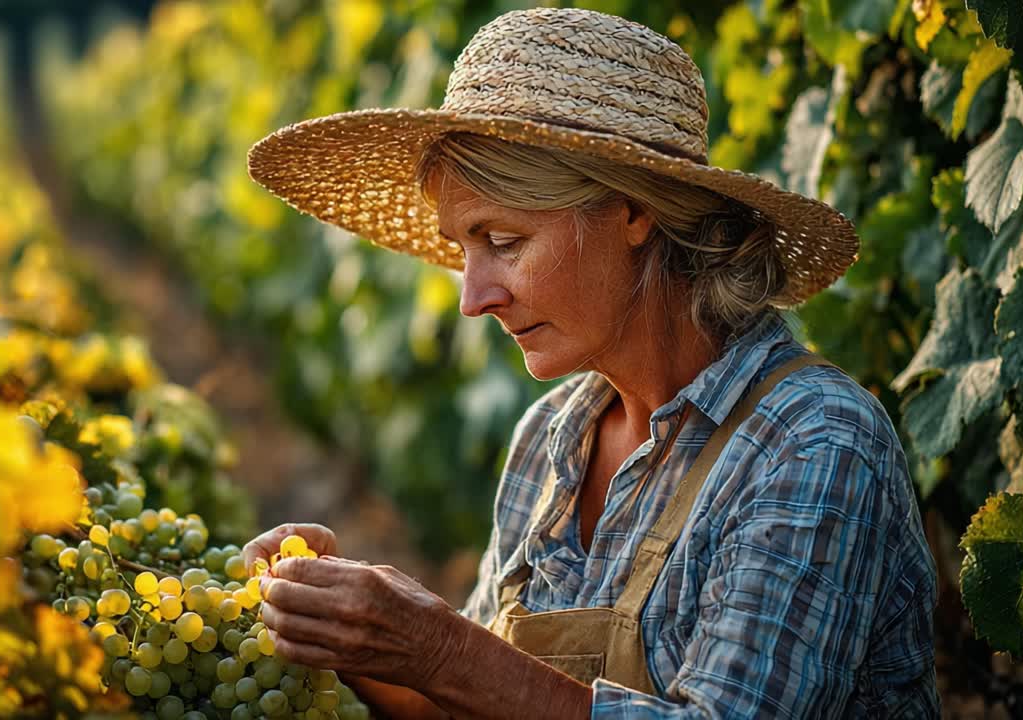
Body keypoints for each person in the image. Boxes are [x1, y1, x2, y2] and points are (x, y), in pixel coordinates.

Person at [244, 7, 938, 719]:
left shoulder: (813, 444)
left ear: (633, 213)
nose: (473, 300)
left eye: (504, 241)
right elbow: (461, 705)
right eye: (463, 250)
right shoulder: (551, 439)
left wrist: (444, 648)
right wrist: (354, 632)